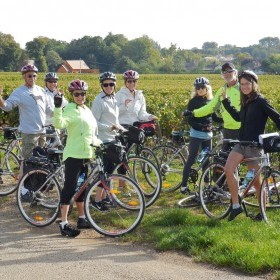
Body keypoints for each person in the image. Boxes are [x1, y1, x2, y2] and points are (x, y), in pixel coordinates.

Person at [221, 70, 280, 221]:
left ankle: (262, 212)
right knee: (228, 169)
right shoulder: (246, 101)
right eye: (242, 84)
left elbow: (277, 118)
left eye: (247, 83)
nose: (244, 86)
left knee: (257, 183)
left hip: (254, 147)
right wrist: (226, 102)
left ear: (254, 84)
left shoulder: (261, 101)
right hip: (242, 144)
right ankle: (235, 206)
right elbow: (237, 117)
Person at [53, 79, 102, 237]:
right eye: (77, 94)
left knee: (83, 188)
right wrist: (57, 107)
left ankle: (82, 218)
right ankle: (63, 223)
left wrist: (100, 144)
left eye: (82, 94)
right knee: (70, 188)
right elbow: (59, 124)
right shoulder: (69, 110)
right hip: (73, 155)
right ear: (72, 95)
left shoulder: (87, 110)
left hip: (86, 154)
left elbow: (92, 133)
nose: (80, 96)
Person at [0, 64, 52, 188]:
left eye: (34, 75)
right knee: (28, 160)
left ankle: (36, 185)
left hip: (42, 131)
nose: (32, 78)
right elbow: (7, 106)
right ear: (24, 76)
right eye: (29, 75)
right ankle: (23, 188)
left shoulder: (40, 90)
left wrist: (62, 108)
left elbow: (49, 110)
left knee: (41, 162)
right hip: (29, 132)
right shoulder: (19, 92)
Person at [181, 77, 222, 194]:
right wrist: (202, 127)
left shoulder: (210, 101)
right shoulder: (193, 101)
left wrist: (224, 120)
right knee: (192, 159)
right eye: (197, 88)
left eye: (202, 87)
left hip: (208, 135)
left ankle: (207, 186)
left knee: (206, 160)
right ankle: (183, 186)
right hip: (196, 134)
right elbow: (190, 120)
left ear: (207, 88)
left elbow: (213, 117)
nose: (200, 90)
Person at [184, 62, 241, 145]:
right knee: (225, 157)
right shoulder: (222, 90)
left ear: (235, 72)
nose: (227, 74)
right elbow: (210, 107)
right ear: (222, 75)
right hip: (227, 129)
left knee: (243, 157)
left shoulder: (243, 88)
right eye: (224, 72)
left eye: (229, 71)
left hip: (242, 129)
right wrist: (193, 113)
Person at [91, 71, 124, 211]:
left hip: (112, 139)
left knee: (109, 171)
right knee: (104, 171)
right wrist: (110, 128)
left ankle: (104, 198)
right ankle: (97, 200)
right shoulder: (99, 100)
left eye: (111, 84)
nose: (109, 86)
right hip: (102, 140)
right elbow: (94, 122)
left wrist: (122, 129)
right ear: (102, 85)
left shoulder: (114, 99)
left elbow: (115, 120)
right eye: (106, 84)